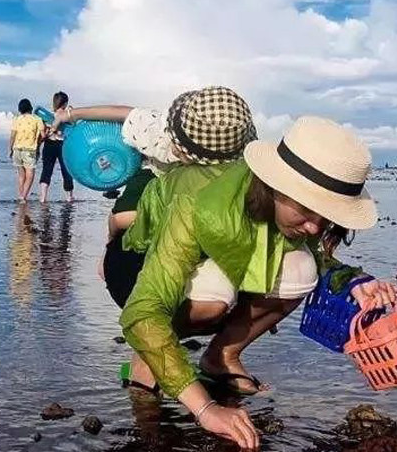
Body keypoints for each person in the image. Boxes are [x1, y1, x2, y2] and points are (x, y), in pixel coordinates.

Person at [120, 115, 397, 450]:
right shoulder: (196, 203)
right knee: (210, 299)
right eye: (307, 210)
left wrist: (353, 280)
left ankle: (220, 356)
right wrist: (206, 409)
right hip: (137, 262)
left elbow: (315, 254)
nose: (314, 228)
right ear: (275, 185)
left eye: (327, 218)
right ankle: (148, 355)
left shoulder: (292, 213)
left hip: (218, 252)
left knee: (303, 269)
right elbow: (143, 311)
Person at [58, 88, 256, 309]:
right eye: (177, 142)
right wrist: (70, 115)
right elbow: (122, 113)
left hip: (191, 198)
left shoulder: (231, 172)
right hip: (155, 173)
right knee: (122, 218)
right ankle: (109, 248)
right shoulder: (162, 133)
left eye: (183, 148)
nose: (176, 148)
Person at [39, 91, 74, 204]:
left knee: (46, 170)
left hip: (49, 143)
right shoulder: (68, 115)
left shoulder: (48, 116)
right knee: (67, 170)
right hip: (63, 144)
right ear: (65, 103)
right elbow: (73, 128)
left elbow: (44, 132)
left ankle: (43, 197)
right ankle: (69, 197)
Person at [9, 98, 45, 203]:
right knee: (30, 175)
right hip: (29, 150)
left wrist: (10, 149)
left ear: (19, 109)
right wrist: (41, 140)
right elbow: (43, 135)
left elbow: (12, 136)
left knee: (21, 175)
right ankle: (23, 197)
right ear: (31, 108)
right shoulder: (37, 119)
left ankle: (21, 195)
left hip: (17, 149)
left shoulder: (16, 119)